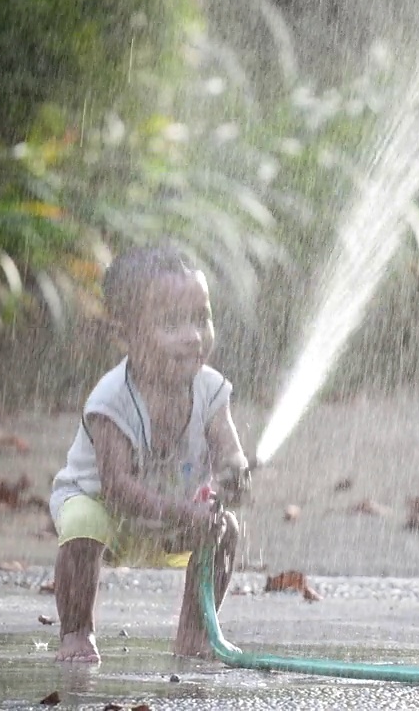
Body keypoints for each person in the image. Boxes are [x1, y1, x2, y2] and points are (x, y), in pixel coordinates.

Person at [48, 243, 252, 663]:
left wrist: (235, 475)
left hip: (169, 520)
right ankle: (76, 631)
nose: (193, 336)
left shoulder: (211, 390)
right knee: (83, 520)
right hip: (110, 514)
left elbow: (230, 451)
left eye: (202, 319)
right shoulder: (111, 401)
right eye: (172, 323)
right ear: (125, 335)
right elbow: (118, 488)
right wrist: (184, 513)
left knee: (226, 528)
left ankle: (195, 635)